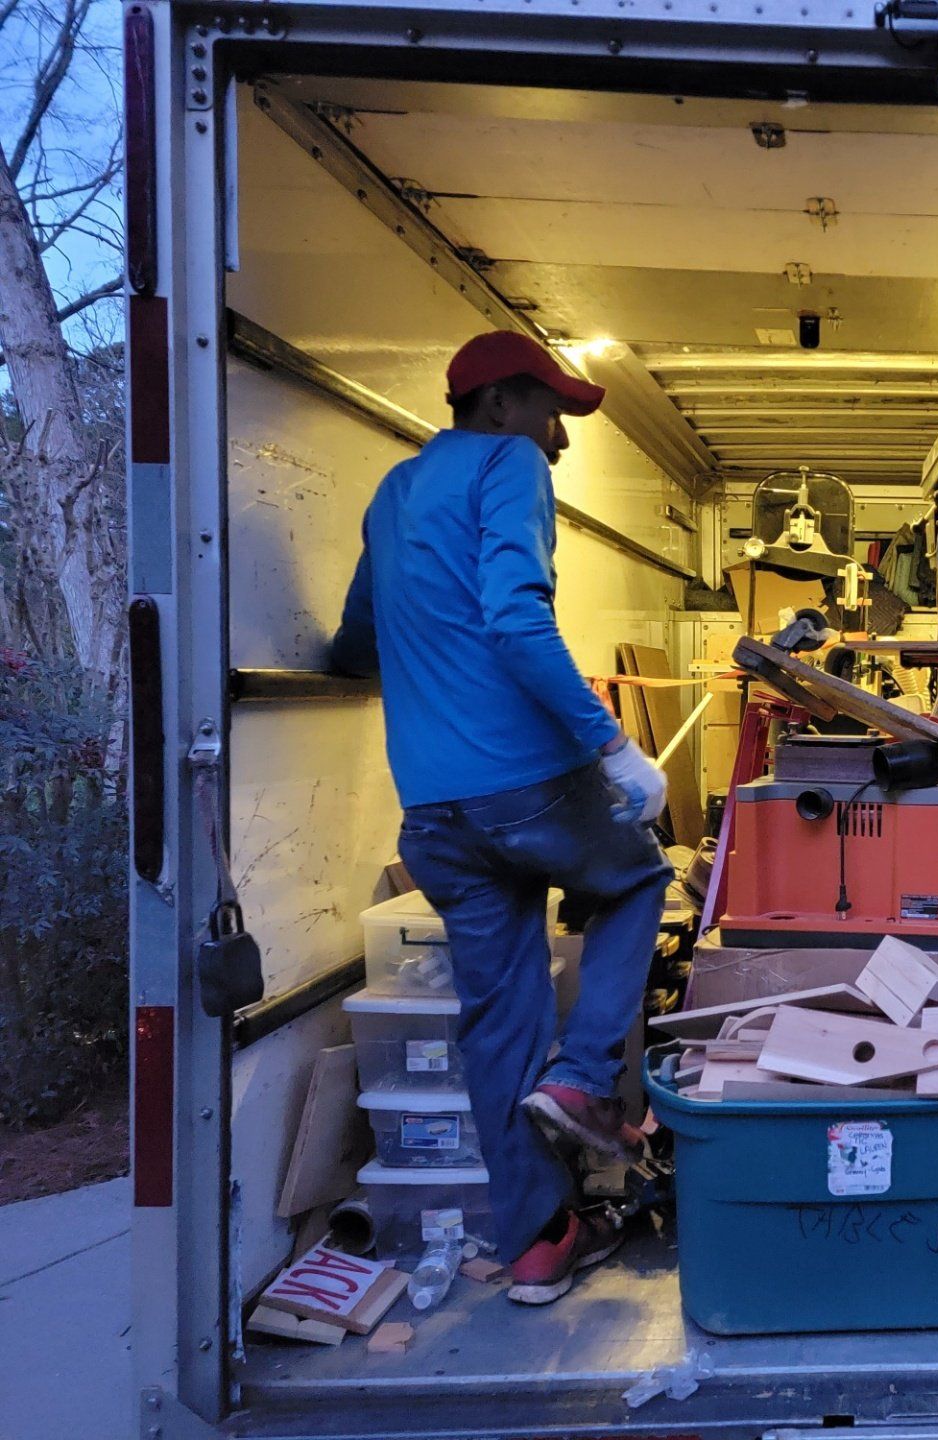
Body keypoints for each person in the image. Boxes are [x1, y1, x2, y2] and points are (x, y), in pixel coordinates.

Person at [331, 331, 674, 1306]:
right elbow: (517, 619)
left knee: (500, 1027)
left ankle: (540, 1242)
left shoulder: (395, 492)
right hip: (527, 781)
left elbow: (355, 639)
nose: (560, 439)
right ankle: (585, 1080)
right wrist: (612, 746)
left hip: (435, 811)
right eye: (551, 412)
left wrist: (409, 668)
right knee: (641, 877)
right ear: (497, 405)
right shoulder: (507, 464)